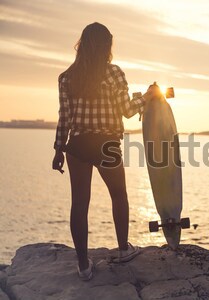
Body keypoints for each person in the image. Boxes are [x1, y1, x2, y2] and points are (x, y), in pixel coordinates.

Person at [52, 22, 156, 281]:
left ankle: (83, 266)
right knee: (119, 195)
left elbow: (64, 118)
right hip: (106, 143)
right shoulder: (113, 73)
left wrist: (58, 150)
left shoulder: (66, 77)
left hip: (76, 145)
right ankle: (123, 250)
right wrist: (150, 96)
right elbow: (128, 111)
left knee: (79, 203)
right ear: (105, 46)